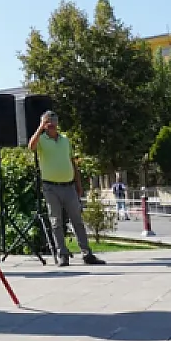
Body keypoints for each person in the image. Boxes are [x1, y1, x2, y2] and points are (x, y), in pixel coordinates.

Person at [27, 111, 104, 267]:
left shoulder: (65, 140)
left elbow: (72, 162)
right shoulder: (41, 140)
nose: (51, 125)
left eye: (53, 121)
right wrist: (40, 127)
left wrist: (79, 184)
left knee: (77, 220)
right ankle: (62, 254)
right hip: (50, 187)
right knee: (56, 221)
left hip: (68, 186)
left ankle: (87, 254)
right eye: (48, 122)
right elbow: (31, 146)